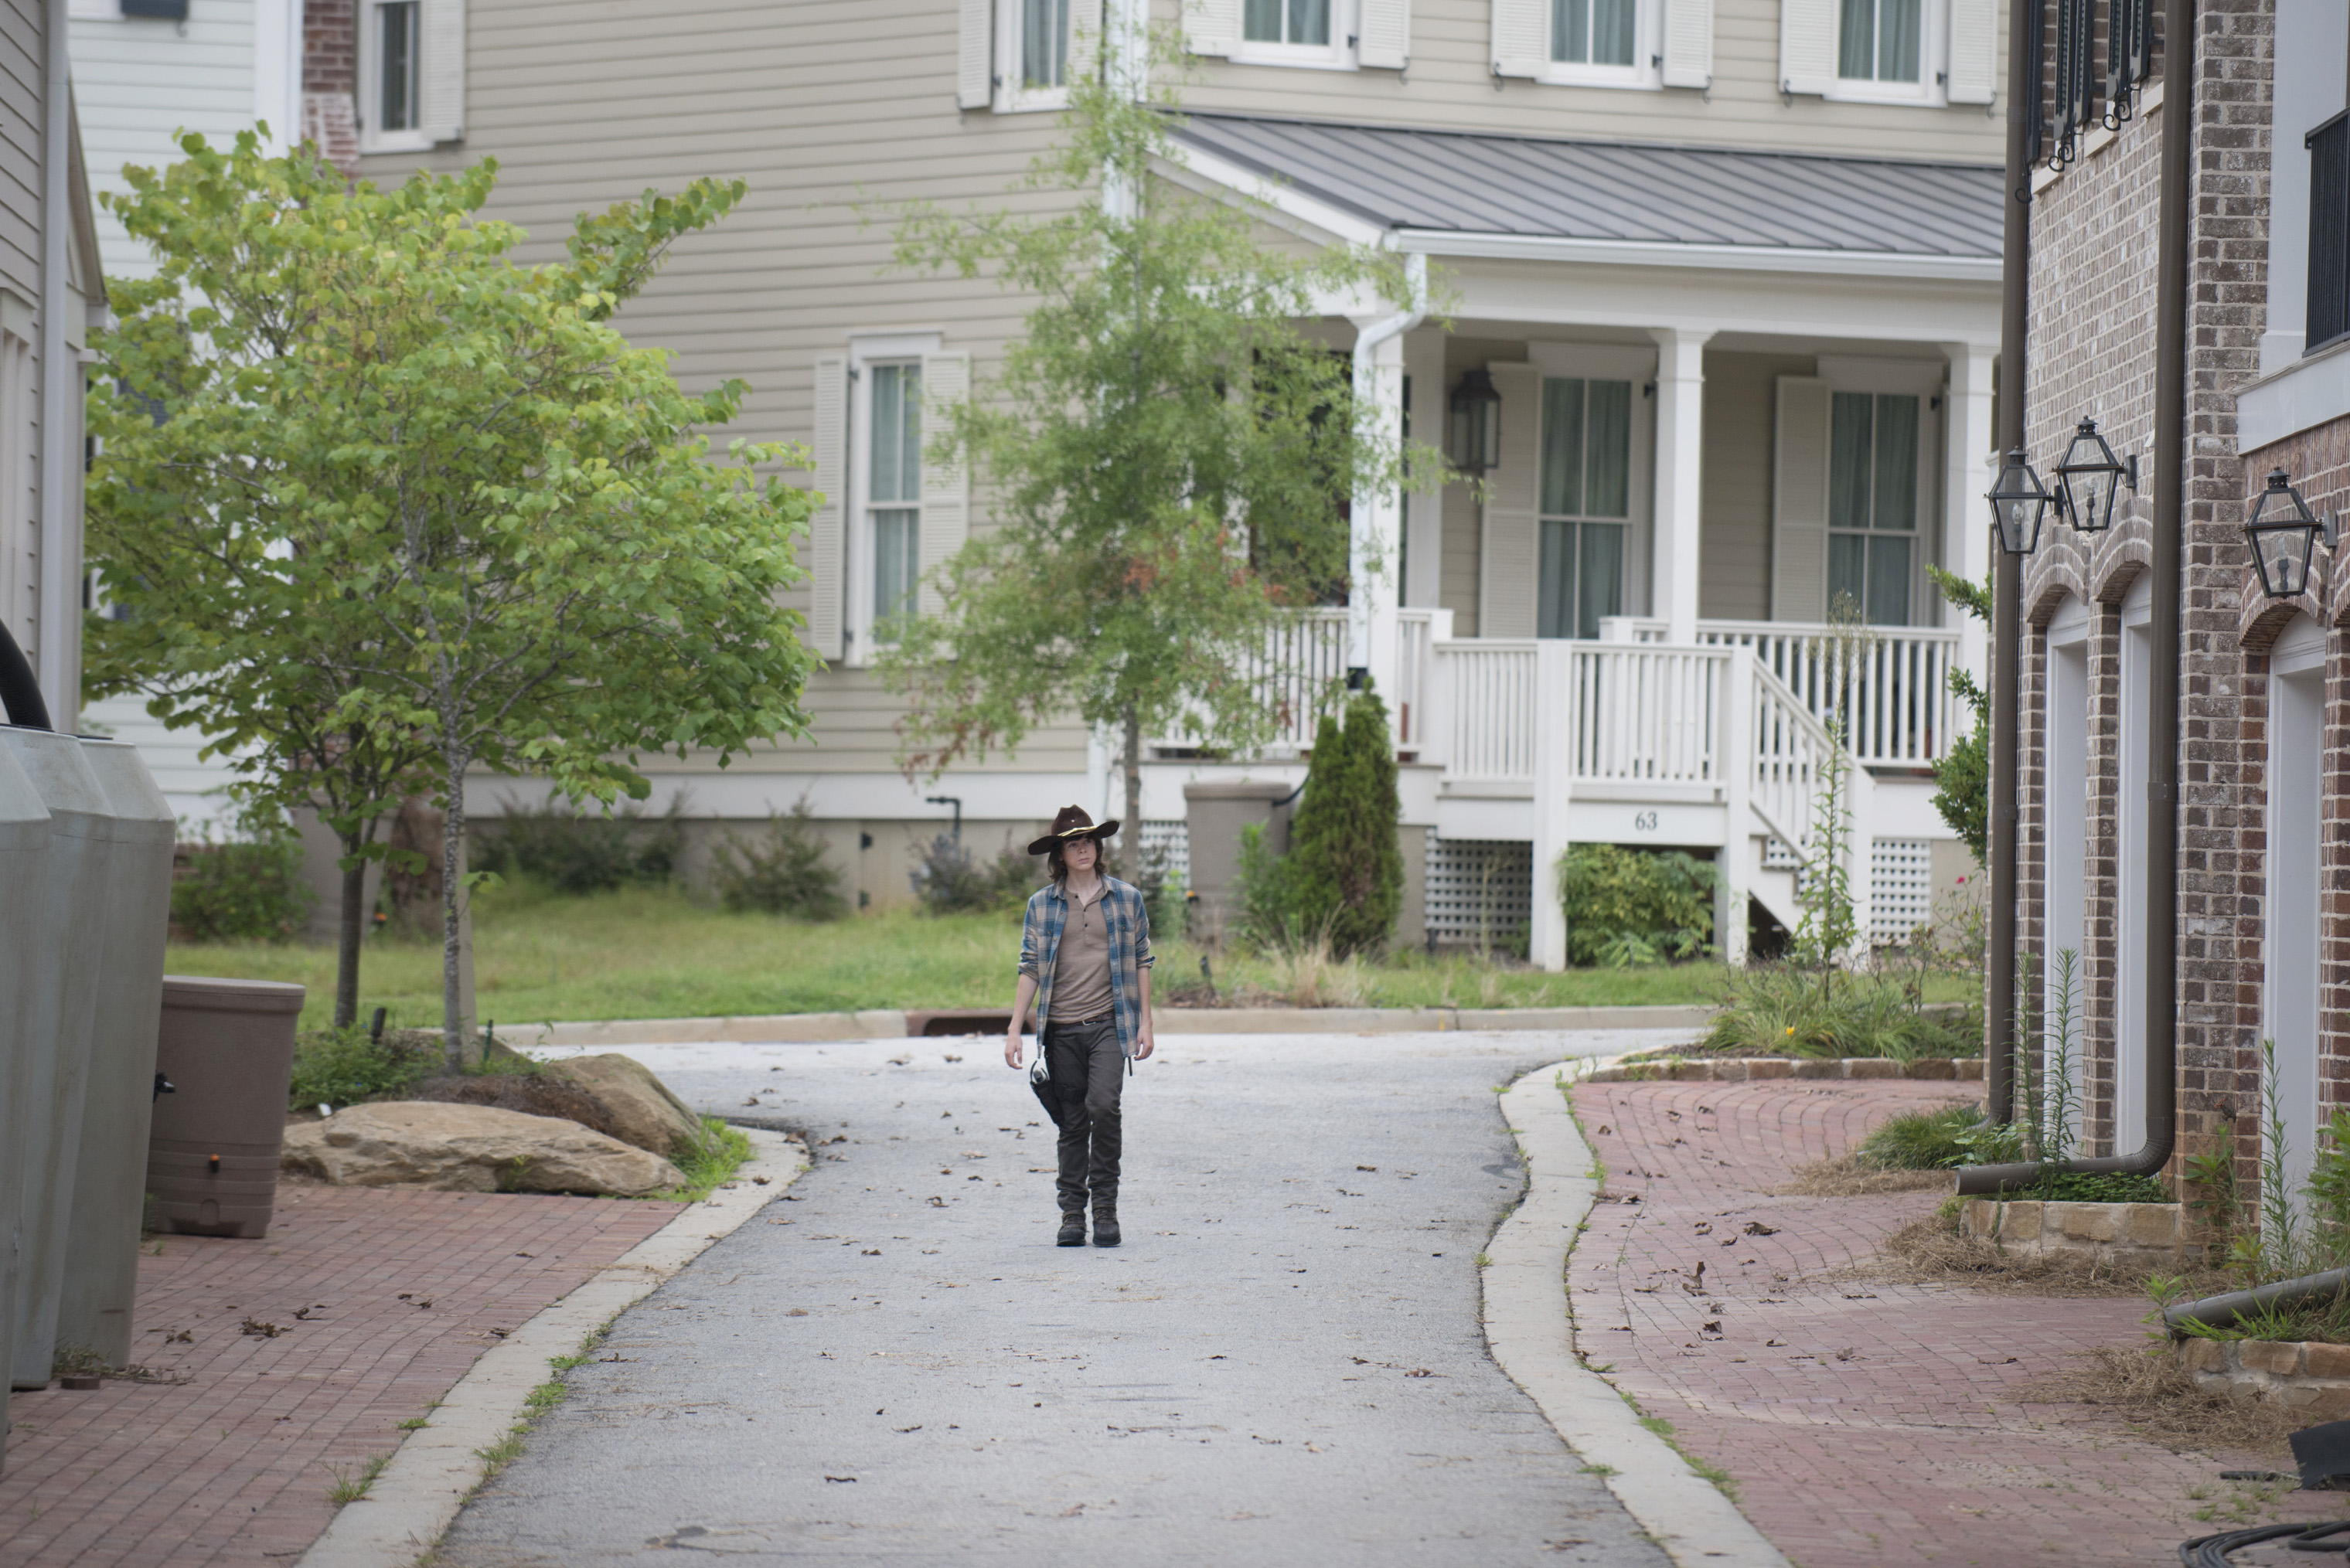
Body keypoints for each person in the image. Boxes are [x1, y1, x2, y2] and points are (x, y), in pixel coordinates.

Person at [1004, 805, 1154, 1247]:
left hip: (1110, 1023)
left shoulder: (1126, 899)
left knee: (1104, 1106)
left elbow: (1143, 959)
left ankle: (1105, 1208)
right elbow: (1029, 966)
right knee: (1072, 1123)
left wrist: (1146, 1022)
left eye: (1088, 840)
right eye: (1073, 843)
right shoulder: (1042, 905)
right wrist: (1015, 1028)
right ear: (1060, 854)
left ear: (1098, 847)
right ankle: (1073, 1214)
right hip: (1061, 1030)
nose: (1083, 848)